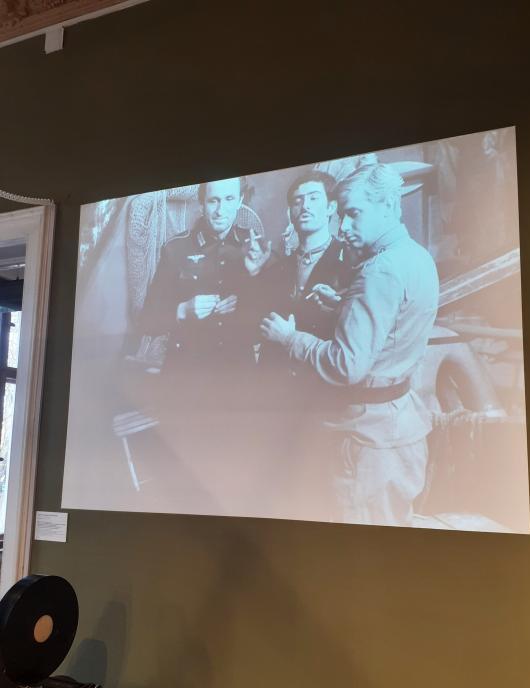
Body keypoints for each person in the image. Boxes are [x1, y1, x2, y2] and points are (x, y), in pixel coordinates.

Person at [261, 163, 439, 527]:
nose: (342, 226)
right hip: (399, 427)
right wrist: (345, 304)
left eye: (354, 213)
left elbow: (346, 366)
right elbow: (395, 325)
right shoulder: (416, 256)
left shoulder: (378, 271)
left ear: (388, 205)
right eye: (341, 214)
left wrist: (290, 338)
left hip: (368, 441)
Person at [139, 176, 271, 405]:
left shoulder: (255, 246)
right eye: (213, 201)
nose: (220, 210)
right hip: (187, 379)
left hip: (239, 379)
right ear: (202, 203)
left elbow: (271, 316)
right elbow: (147, 320)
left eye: (229, 199)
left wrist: (253, 278)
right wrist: (182, 311)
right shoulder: (175, 248)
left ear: (240, 200)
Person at [258, 170, 351, 406]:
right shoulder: (276, 269)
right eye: (297, 201)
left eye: (314, 198)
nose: (305, 206)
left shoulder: (349, 262)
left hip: (324, 393)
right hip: (277, 394)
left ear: (331, 207)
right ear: (290, 212)